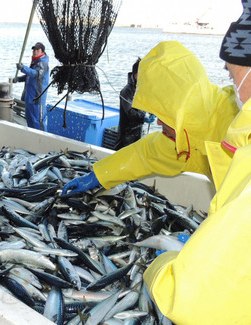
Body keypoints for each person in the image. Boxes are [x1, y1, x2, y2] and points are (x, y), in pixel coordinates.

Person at [143, 1, 251, 323]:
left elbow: (188, 298)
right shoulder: (197, 126)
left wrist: (164, 265)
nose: (235, 88)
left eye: (234, 73)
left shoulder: (228, 121)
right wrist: (100, 173)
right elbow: (152, 151)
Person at [62, 40, 238, 196]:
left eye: (163, 114)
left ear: (180, 109)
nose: (159, 122)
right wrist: (98, 175)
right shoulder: (181, 140)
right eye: (155, 114)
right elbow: (144, 155)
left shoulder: (239, 120)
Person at [114, 57, 155, 150]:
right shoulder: (126, 91)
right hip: (126, 133)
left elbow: (148, 102)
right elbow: (129, 111)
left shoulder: (142, 88)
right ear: (135, 74)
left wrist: (152, 113)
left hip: (138, 130)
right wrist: (143, 117)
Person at [15, 42, 50, 131]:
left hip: (37, 98)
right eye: (34, 49)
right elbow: (29, 76)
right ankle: (33, 137)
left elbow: (36, 74)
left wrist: (23, 68)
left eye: (37, 49)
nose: (35, 51)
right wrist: (18, 79)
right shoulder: (35, 62)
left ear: (42, 51)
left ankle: (43, 139)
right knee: (30, 119)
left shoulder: (43, 63)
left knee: (38, 121)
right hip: (29, 97)